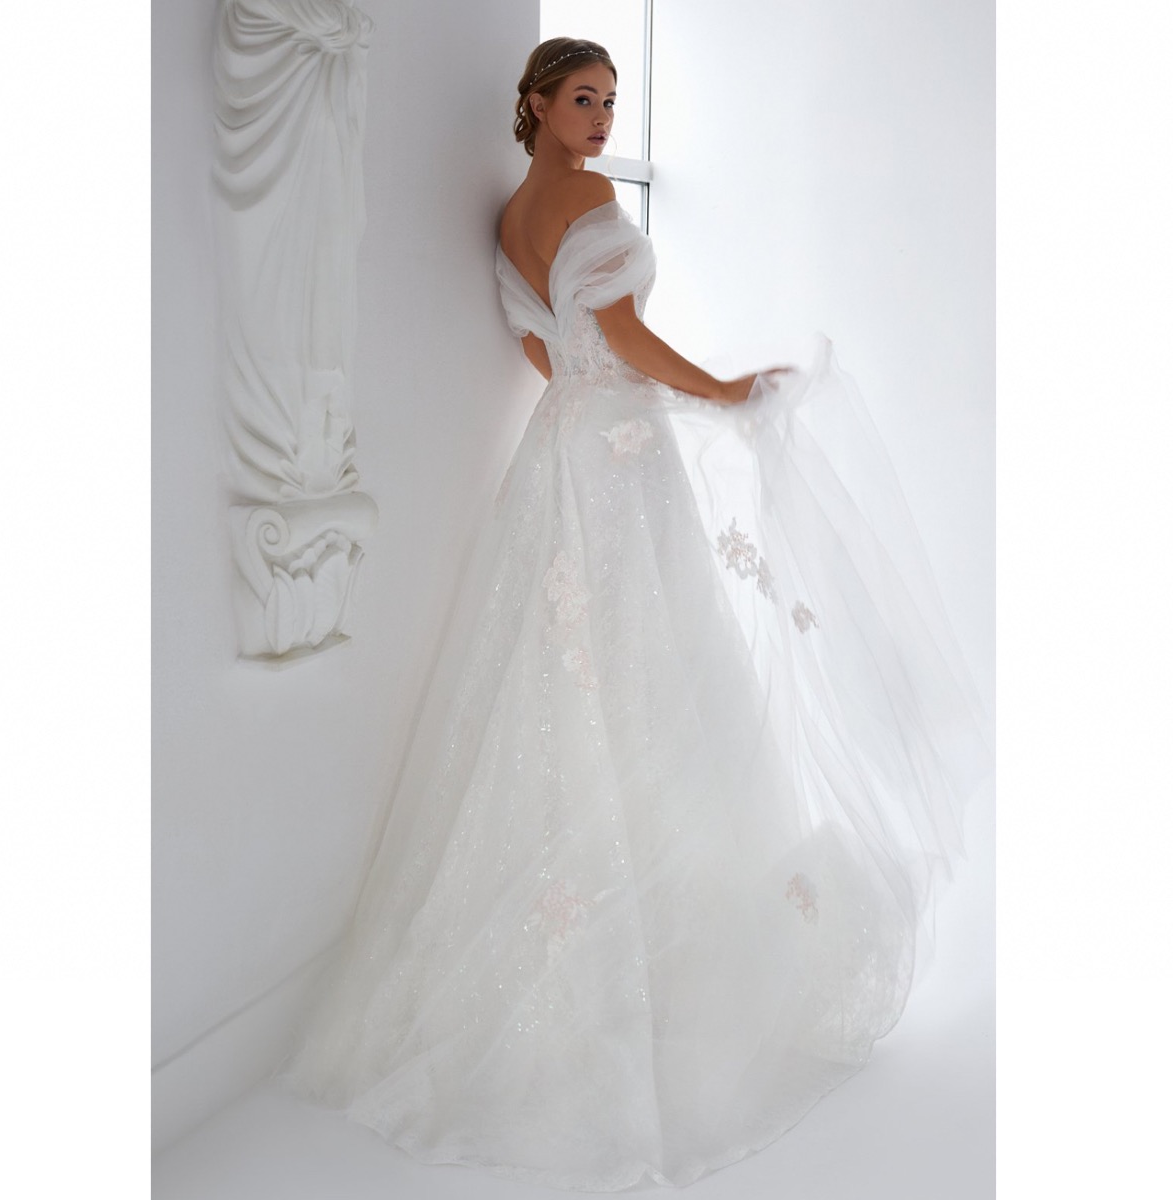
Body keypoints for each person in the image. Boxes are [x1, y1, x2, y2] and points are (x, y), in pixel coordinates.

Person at [288, 37, 990, 1191]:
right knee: (654, 663)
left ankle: (598, 922)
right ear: (535, 104)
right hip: (619, 456)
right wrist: (725, 392)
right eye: (584, 99)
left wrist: (610, 396)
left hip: (558, 452)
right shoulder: (586, 199)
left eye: (611, 101)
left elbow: (542, 348)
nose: (604, 118)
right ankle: (649, 939)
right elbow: (620, 338)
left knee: (559, 670)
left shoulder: (511, 216)